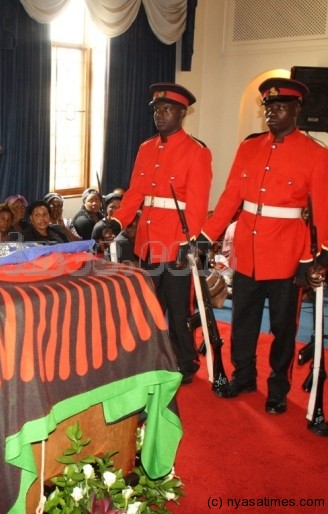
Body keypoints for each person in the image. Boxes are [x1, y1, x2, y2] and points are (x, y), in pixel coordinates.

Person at [196, 77, 328, 414]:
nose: (271, 113)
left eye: (280, 107)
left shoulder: (314, 154)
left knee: (284, 326)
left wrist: (320, 255)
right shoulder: (249, 148)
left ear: (297, 110)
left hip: (288, 254)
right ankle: (244, 375)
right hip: (247, 252)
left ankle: (278, 388)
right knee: (243, 319)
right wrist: (207, 235)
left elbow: (324, 209)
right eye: (268, 107)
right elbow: (230, 198)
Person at [111, 83, 212, 385]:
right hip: (148, 240)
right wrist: (117, 223)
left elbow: (197, 204)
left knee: (179, 308)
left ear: (182, 112)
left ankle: (186, 362)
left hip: (176, 242)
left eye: (166, 109)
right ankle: (152, 358)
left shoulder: (197, 152)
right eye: (156, 109)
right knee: (148, 305)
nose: (159, 114)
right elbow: (134, 195)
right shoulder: (146, 148)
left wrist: (188, 242)